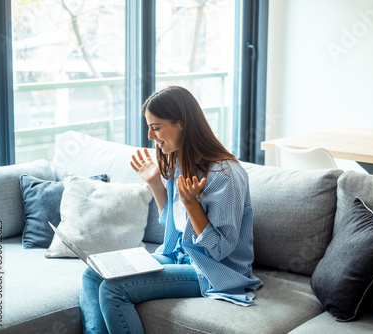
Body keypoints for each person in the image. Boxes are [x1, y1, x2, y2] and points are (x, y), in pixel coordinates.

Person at [79, 86, 263, 334]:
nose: (150, 135)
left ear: (182, 124)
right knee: (94, 275)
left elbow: (220, 250)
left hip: (211, 269)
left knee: (114, 289)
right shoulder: (178, 162)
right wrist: (155, 182)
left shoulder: (225, 175)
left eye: (156, 127)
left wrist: (192, 205)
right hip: (178, 256)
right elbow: (175, 225)